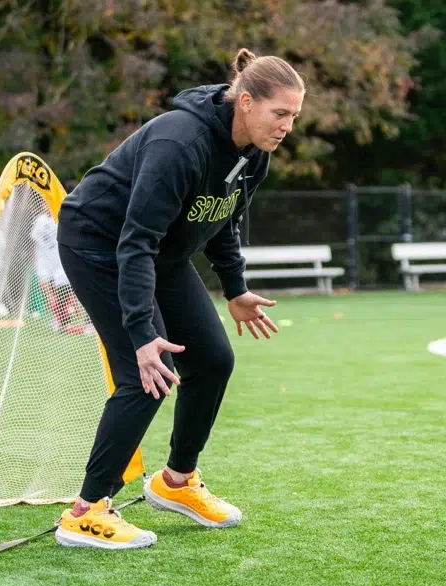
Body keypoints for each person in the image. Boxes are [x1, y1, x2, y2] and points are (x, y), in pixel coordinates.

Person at [52, 48, 300, 549]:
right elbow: (134, 241)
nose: (287, 127)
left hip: (159, 251)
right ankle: (84, 512)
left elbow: (222, 218)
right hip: (99, 243)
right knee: (146, 374)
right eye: (280, 114)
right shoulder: (178, 142)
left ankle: (176, 482)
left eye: (294, 116)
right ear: (246, 101)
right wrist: (144, 334)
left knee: (212, 359)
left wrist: (235, 289)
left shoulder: (255, 153)